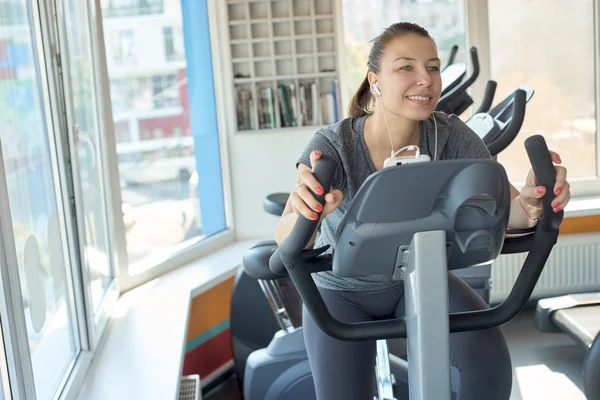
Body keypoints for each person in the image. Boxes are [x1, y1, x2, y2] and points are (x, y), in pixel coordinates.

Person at [275, 22, 571, 400]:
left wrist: (533, 200)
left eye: (432, 67)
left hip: (421, 277)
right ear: (375, 80)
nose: (425, 79)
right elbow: (286, 233)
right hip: (341, 293)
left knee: (490, 368)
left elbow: (509, 207)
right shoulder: (334, 144)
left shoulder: (450, 134)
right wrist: (307, 216)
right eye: (406, 68)